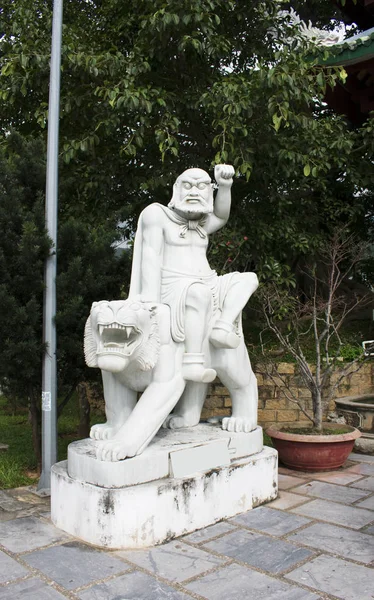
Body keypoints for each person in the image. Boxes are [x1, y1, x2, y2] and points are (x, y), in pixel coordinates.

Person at [129, 164, 258, 382]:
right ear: (176, 189)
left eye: (201, 187)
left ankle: (222, 326)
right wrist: (151, 302)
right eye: (188, 186)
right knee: (199, 293)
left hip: (209, 282)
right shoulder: (157, 214)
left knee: (249, 279)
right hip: (173, 286)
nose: (194, 192)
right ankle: (193, 362)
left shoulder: (202, 224)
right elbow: (150, 254)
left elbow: (222, 216)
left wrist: (225, 186)